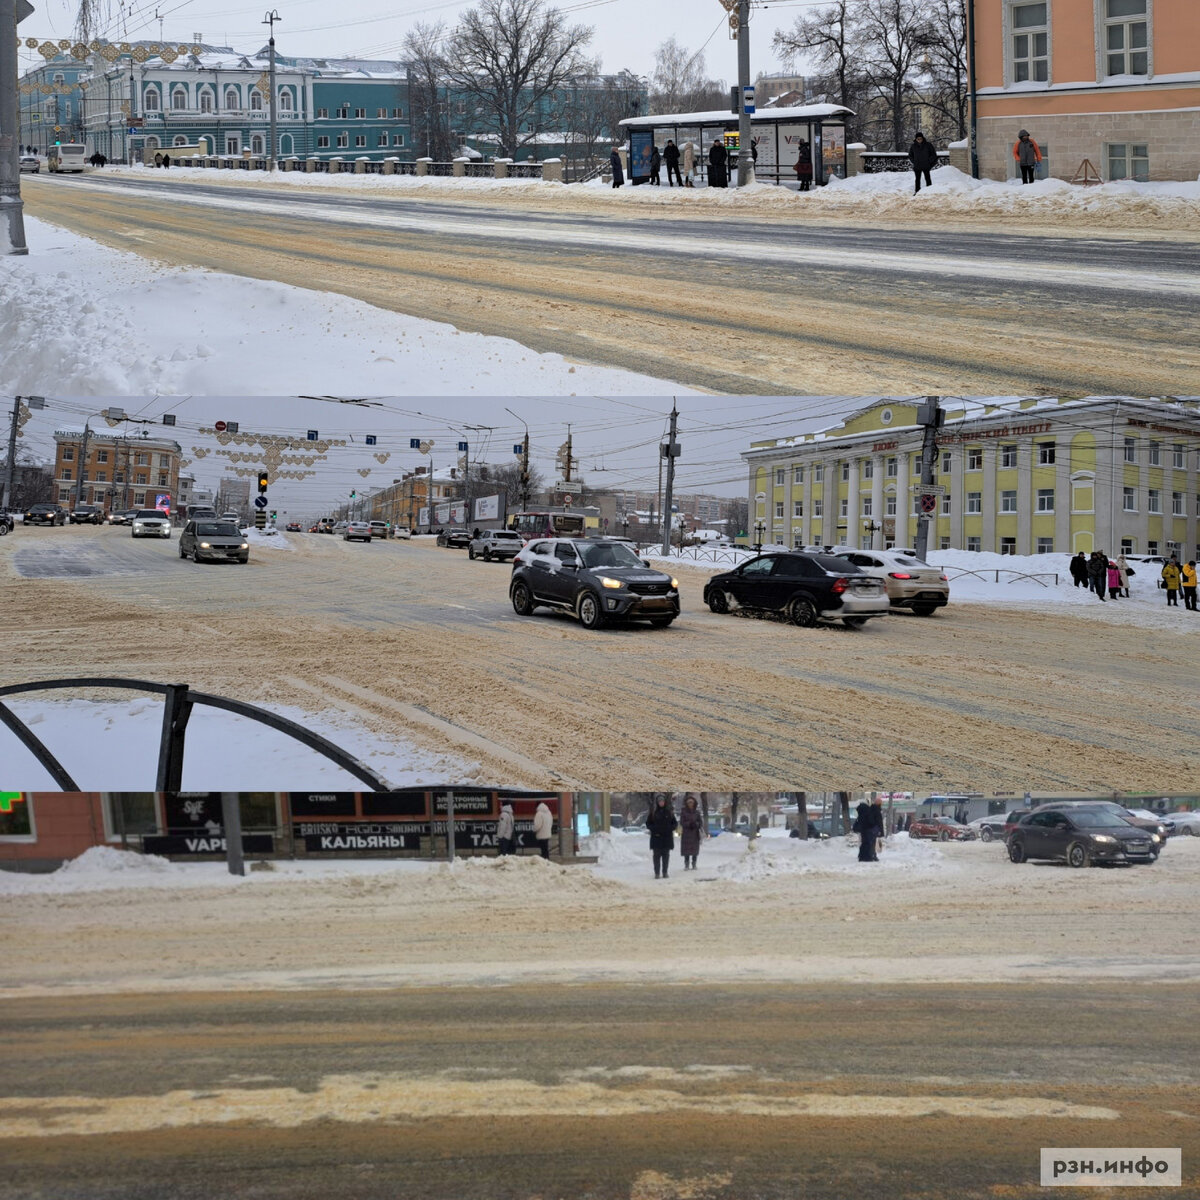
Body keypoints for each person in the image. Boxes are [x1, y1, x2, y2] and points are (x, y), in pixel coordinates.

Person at [647, 795, 678, 879]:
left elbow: (675, 823)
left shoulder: (669, 812)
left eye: (662, 801)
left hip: (666, 839)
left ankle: (665, 872)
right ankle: (657, 873)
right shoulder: (653, 813)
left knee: (666, 857)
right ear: (657, 802)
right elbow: (648, 824)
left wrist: (670, 828)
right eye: (660, 801)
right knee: (656, 857)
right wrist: (654, 829)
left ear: (664, 802)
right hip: (656, 839)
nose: (661, 803)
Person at [679, 795, 704, 871]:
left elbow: (700, 822)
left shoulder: (697, 812)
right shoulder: (683, 812)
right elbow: (682, 822)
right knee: (686, 850)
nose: (690, 804)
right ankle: (686, 864)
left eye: (691, 802)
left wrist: (696, 824)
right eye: (689, 802)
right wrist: (689, 824)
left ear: (694, 803)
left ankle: (694, 863)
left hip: (695, 834)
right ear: (687, 804)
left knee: (694, 850)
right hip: (686, 834)